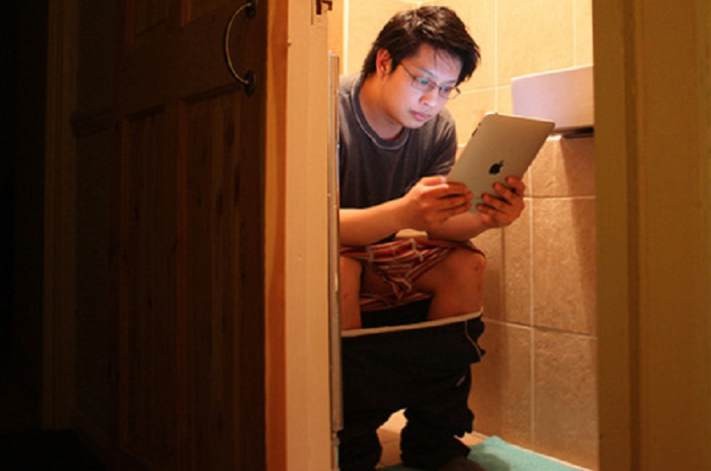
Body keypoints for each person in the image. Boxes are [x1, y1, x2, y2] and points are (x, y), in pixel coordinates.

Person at [337, 6, 526, 471]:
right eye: (422, 80)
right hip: (332, 252)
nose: (432, 100)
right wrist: (403, 212)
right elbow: (307, 223)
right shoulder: (328, 110)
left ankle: (434, 440)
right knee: (341, 268)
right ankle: (351, 444)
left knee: (466, 263)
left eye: (446, 88)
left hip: (381, 254)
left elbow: (440, 226)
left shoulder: (437, 128)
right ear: (384, 61)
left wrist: (487, 218)